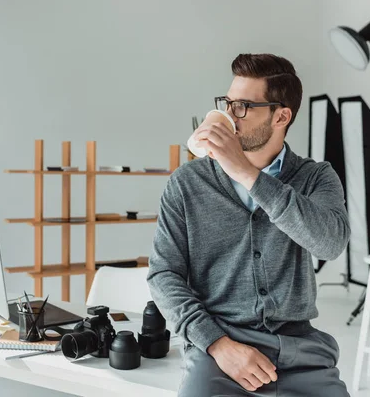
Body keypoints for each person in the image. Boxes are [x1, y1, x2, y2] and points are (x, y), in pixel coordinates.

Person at [147, 53, 351, 396]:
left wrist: (246, 172)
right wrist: (217, 344)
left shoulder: (316, 177)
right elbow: (163, 275)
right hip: (220, 348)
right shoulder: (187, 183)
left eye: (242, 106)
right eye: (227, 103)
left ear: (281, 116)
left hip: (300, 350)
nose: (229, 116)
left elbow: (330, 243)